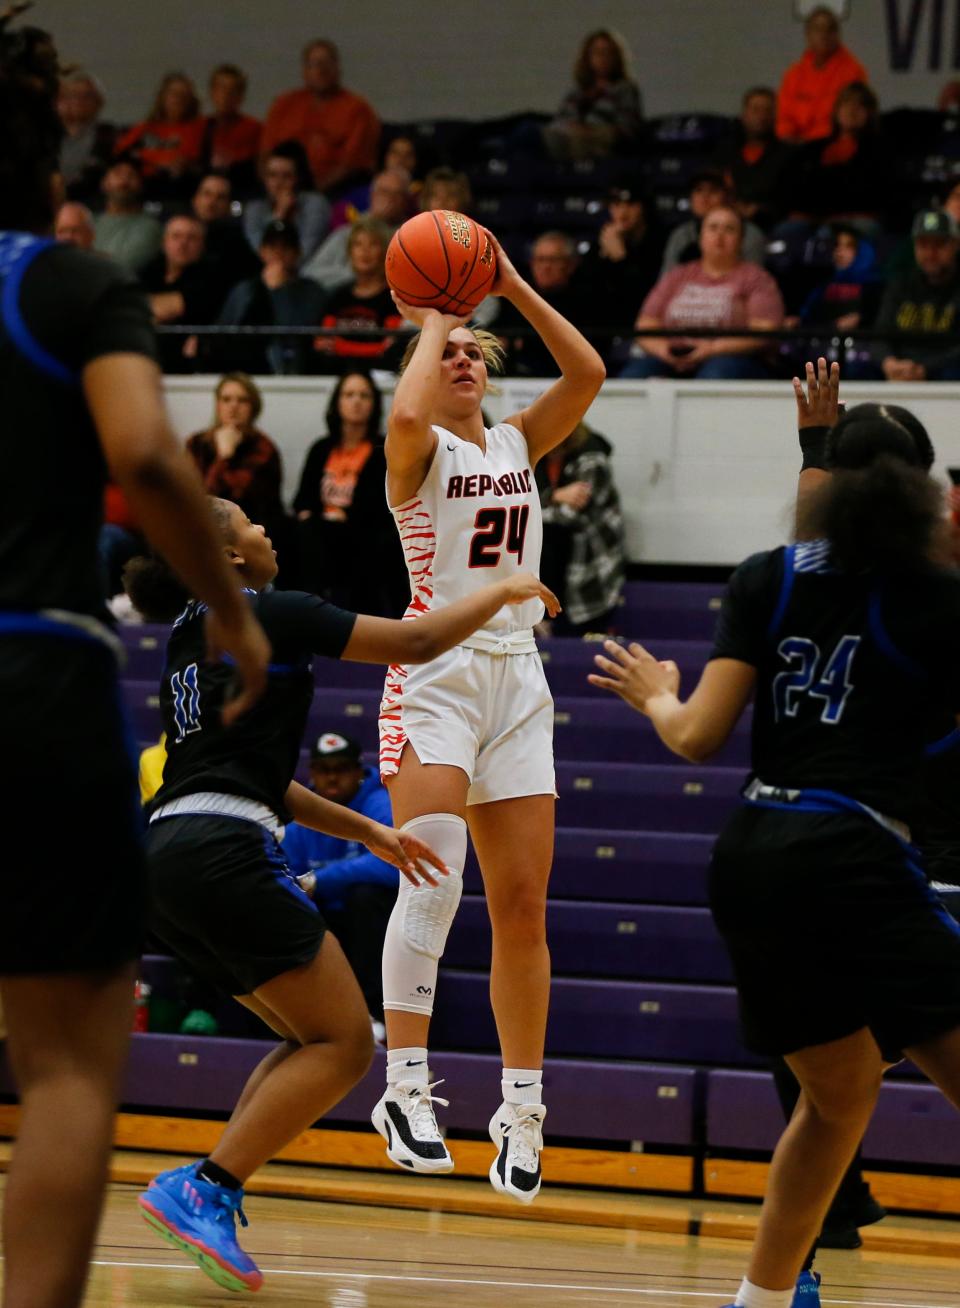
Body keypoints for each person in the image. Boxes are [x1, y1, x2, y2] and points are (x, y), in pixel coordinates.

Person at [0, 15, 269, 1307]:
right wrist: (232, 609)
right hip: (27, 674)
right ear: (50, 152)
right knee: (60, 1065)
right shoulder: (63, 282)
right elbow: (150, 455)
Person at [126, 497, 557, 1293]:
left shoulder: (188, 634)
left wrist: (369, 832)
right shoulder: (274, 612)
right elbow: (419, 642)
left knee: (307, 1038)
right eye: (248, 521)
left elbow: (251, 775)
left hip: (164, 856)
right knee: (348, 1045)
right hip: (225, 854)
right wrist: (502, 594)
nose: (264, 529)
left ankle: (209, 1185)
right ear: (229, 556)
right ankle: (208, 1186)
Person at [589, 407, 960, 1308]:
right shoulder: (935, 597)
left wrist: (656, 695)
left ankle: (760, 1299)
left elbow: (696, 738)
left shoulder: (767, 579)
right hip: (853, 849)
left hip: (754, 856)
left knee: (834, 1102)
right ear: (927, 492)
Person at [373, 233, 605, 1203]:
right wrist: (433, 314)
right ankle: (405, 1090)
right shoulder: (412, 446)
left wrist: (506, 283)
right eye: (449, 348)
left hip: (518, 678)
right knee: (434, 885)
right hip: (433, 668)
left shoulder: (516, 441)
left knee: (521, 905)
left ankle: (521, 1105)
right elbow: (406, 405)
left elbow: (588, 370)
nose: (464, 355)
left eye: (476, 347)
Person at [284, 732, 398, 1030]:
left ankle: (373, 1014)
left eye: (342, 769)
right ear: (312, 773)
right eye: (324, 770)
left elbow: (391, 864)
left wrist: (318, 880)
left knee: (366, 896)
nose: (332, 778)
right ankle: (299, 1017)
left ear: (359, 771)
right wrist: (310, 886)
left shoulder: (376, 802)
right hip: (324, 917)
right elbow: (289, 874)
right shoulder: (300, 811)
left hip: (371, 922)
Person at [622, 204, 784, 380]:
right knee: (634, 374)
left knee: (715, 373)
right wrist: (663, 350)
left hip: (734, 358)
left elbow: (764, 331)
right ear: (700, 237)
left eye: (729, 229)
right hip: (673, 356)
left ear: (741, 239)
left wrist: (713, 349)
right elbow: (646, 324)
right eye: (713, 228)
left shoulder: (756, 278)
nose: (720, 235)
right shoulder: (678, 275)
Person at [294, 370, 406, 614]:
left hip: (360, 532)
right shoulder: (321, 448)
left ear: (374, 403)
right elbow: (302, 498)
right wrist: (307, 515)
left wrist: (346, 518)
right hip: (319, 529)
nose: (356, 401)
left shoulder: (383, 449)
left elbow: (382, 505)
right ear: (337, 402)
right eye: (349, 394)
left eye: (364, 395)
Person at [185, 373, 290, 576]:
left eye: (242, 400)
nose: (233, 406)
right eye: (226, 399)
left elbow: (233, 497)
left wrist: (224, 456)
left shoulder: (263, 448)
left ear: (253, 407)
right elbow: (195, 498)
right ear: (217, 405)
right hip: (202, 527)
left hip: (251, 530)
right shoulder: (196, 443)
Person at [536, 421, 625, 636]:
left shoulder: (591, 459)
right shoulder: (535, 455)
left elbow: (570, 517)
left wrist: (538, 504)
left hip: (590, 555)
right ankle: (539, 613)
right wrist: (554, 496)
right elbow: (511, 500)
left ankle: (544, 616)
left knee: (546, 532)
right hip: (556, 556)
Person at [851, 209, 960, 381]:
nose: (930, 253)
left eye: (939, 244)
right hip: (899, 370)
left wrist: (925, 368)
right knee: (857, 367)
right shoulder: (900, 285)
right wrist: (889, 363)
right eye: (923, 245)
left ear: (955, 245)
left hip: (944, 374)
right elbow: (879, 336)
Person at [261, 39, 380, 194]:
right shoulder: (283, 105)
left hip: (337, 193)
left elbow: (352, 164)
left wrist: (314, 192)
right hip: (280, 191)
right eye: (314, 64)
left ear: (338, 68)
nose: (320, 70)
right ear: (304, 71)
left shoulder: (357, 109)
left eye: (326, 64)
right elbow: (265, 155)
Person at [217, 219, 327, 375]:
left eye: (286, 246)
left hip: (297, 372)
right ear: (261, 251)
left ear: (298, 252)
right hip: (245, 372)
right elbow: (224, 333)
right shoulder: (244, 290)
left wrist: (278, 291)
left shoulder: (313, 291)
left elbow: (296, 336)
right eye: (272, 246)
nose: (279, 252)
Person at [787, 83, 886, 227]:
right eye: (846, 103)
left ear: (869, 113)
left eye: (860, 106)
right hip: (812, 217)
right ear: (837, 110)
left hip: (856, 218)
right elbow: (797, 186)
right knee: (787, 232)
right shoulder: (813, 149)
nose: (852, 110)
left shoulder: (878, 149)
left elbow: (868, 192)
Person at [495, 231, 590, 376]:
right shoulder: (516, 295)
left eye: (553, 260)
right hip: (518, 375)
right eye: (540, 259)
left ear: (570, 265)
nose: (545, 267)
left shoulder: (586, 300)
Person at [313, 218, 403, 371]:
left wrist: (341, 346)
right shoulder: (337, 297)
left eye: (373, 244)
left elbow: (390, 348)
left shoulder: (393, 298)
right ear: (349, 252)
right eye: (358, 244)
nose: (364, 251)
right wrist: (371, 349)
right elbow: (321, 343)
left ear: (384, 252)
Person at [139, 214, 225, 373]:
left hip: (189, 366)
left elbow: (168, 308)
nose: (183, 243)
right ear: (164, 243)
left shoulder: (212, 276)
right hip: (145, 362)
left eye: (191, 238)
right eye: (176, 236)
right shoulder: (148, 272)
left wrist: (143, 309)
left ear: (202, 245)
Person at [302, 166, 410, 292]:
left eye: (397, 194)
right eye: (384, 192)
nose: (389, 199)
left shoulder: (409, 239)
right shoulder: (346, 233)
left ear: (406, 200)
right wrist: (356, 275)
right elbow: (310, 273)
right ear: (372, 195)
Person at [577, 186, 664, 340]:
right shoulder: (602, 241)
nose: (623, 213)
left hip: (642, 328)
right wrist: (603, 257)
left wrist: (620, 258)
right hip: (603, 328)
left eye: (630, 205)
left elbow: (647, 297)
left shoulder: (659, 242)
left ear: (644, 208)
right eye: (616, 205)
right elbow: (586, 291)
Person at [542, 28, 643, 161]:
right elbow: (562, 118)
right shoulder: (578, 91)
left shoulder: (624, 89)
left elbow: (628, 128)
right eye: (598, 53)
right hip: (566, 138)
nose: (603, 59)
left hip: (599, 141)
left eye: (608, 53)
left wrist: (591, 131)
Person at [777, 5, 868, 143]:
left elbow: (850, 121)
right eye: (817, 29)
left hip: (833, 146)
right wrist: (789, 141)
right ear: (807, 35)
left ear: (838, 35)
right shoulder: (794, 74)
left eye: (830, 29)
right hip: (796, 148)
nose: (824, 35)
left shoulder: (853, 72)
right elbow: (784, 119)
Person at [113, 72, 205, 200]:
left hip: (182, 189)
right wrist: (156, 160)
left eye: (184, 95)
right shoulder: (145, 128)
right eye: (174, 94)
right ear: (163, 97)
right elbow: (120, 154)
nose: (178, 99)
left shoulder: (200, 128)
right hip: (145, 188)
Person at [714, 87, 793, 229]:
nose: (762, 116)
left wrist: (759, 209)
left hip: (772, 224)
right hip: (727, 219)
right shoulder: (726, 151)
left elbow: (790, 199)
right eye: (756, 110)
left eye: (767, 110)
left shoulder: (788, 154)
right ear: (744, 114)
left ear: (776, 116)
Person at [660, 170, 767, 275]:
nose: (705, 197)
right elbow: (666, 281)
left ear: (728, 197)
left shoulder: (749, 234)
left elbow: (754, 281)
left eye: (713, 190)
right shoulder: (680, 235)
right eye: (698, 190)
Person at [243, 139, 331, 266]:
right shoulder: (254, 209)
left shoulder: (314, 203)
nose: (278, 184)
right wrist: (279, 215)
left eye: (286, 176)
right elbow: (260, 253)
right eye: (272, 175)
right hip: (264, 276)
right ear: (265, 179)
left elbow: (306, 253)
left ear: (298, 179)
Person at [190, 171, 261, 289]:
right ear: (195, 199)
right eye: (207, 194)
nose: (211, 202)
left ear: (228, 206)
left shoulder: (237, 245)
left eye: (220, 197)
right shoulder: (176, 230)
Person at [92, 160, 162, 274]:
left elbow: (126, 264)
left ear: (141, 185)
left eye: (131, 175)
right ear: (104, 183)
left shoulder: (150, 226)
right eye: (117, 174)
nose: (124, 181)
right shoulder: (89, 221)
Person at [201, 63, 261, 195]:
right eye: (221, 89)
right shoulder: (201, 127)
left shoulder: (254, 129)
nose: (225, 95)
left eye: (232, 90)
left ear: (241, 96)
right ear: (212, 92)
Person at [57, 70, 115, 204]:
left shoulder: (108, 134)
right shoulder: (44, 135)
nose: (78, 101)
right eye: (72, 96)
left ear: (99, 102)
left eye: (87, 96)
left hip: (92, 202)